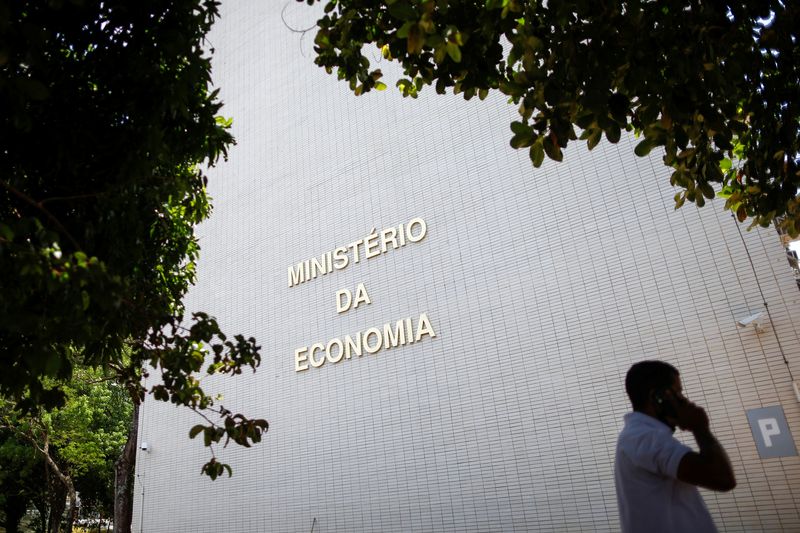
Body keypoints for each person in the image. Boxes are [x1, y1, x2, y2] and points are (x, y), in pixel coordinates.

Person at [615, 360, 736, 532]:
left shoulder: (641, 436)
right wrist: (700, 428)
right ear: (657, 397)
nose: (684, 399)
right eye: (678, 392)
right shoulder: (644, 437)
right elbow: (722, 478)